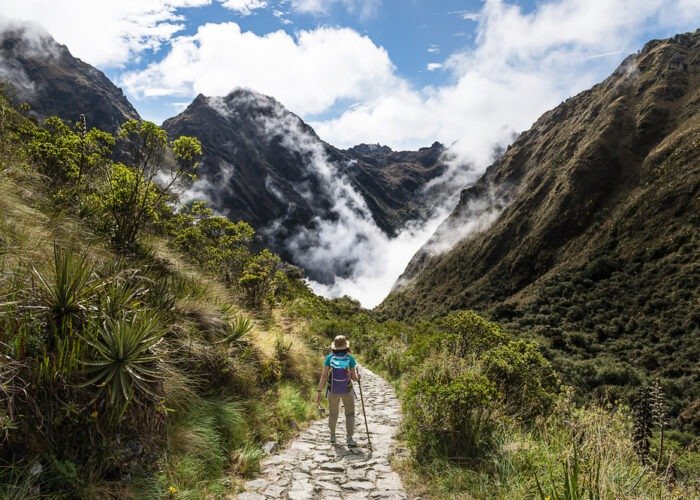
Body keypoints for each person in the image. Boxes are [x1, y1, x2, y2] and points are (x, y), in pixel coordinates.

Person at [316, 335, 360, 446]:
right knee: (349, 414)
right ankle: (349, 438)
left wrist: (319, 391)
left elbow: (324, 375)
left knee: (333, 413)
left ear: (334, 347)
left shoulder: (329, 358)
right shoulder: (350, 358)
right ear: (346, 346)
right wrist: (358, 377)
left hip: (333, 390)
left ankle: (333, 436)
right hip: (347, 390)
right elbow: (354, 378)